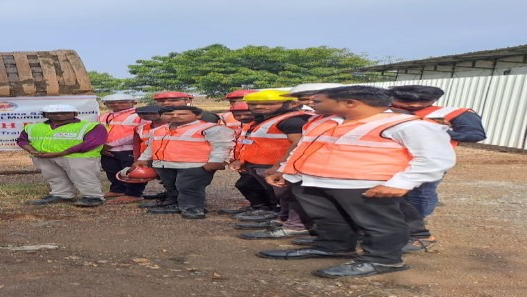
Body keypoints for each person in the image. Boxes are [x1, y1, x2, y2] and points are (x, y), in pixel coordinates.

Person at [260, 86, 456, 278]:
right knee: (329, 219)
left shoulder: (407, 125)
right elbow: (304, 147)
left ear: (350, 103)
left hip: (362, 185)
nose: (311, 104)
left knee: (379, 224)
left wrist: (402, 183)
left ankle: (383, 259)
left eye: (317, 101)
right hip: (313, 181)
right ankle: (334, 247)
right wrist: (285, 169)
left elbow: (434, 158)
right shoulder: (324, 121)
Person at [389, 85, 487, 252]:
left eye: (418, 102)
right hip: (389, 160)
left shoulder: (454, 113)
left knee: (421, 192)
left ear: (432, 100)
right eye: (405, 102)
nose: (412, 106)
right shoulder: (385, 110)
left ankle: (417, 226)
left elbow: (475, 134)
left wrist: (438, 131)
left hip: (428, 160)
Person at [227, 90, 316, 240]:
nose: (259, 106)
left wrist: (279, 166)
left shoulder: (293, 120)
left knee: (291, 196)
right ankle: (283, 219)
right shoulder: (266, 119)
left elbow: (298, 144)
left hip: (279, 167)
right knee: (282, 197)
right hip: (263, 165)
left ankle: (296, 226)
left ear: (291, 103)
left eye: (269, 103)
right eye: (253, 104)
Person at [133, 106, 235, 219]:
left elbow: (222, 146)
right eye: (169, 114)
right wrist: (142, 159)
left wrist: (216, 161)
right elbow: (151, 146)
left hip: (194, 166)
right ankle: (175, 204)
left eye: (182, 114)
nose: (175, 116)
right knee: (171, 186)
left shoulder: (210, 128)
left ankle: (193, 208)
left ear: (198, 115)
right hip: (165, 164)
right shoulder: (158, 130)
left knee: (188, 187)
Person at [18, 104, 108, 207]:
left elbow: (92, 142)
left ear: (75, 114)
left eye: (65, 113)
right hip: (44, 157)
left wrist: (62, 153)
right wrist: (32, 151)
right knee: (54, 177)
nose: (59, 115)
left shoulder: (90, 126)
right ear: (45, 114)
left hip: (78, 157)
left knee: (84, 177)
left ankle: (93, 197)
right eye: (54, 113)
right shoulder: (33, 127)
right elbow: (22, 140)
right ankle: (61, 195)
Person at [97, 93, 145, 204]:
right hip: (107, 149)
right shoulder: (104, 116)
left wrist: (112, 144)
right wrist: (102, 146)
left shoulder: (139, 115)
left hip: (128, 148)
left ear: (133, 102)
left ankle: (134, 194)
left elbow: (137, 134)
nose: (117, 104)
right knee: (111, 170)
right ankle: (118, 190)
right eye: (112, 102)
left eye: (122, 102)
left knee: (131, 172)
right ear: (105, 104)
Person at [152, 91, 221, 123]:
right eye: (161, 101)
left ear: (188, 101)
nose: (166, 103)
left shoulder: (205, 116)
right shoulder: (151, 116)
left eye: (173, 100)